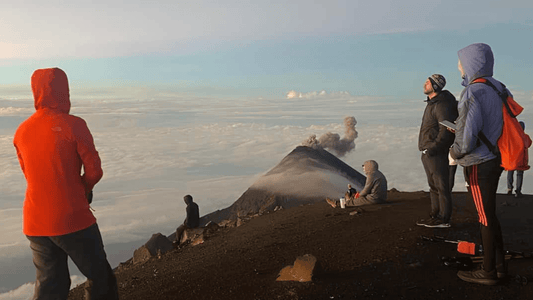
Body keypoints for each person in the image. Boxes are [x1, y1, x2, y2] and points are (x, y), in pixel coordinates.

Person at [13, 68, 118, 299]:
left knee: (51, 285)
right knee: (101, 278)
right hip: (72, 217)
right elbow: (94, 171)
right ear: (64, 91)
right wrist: (83, 188)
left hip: (35, 222)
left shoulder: (22, 131)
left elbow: (31, 176)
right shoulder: (74, 125)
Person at [450, 43, 506, 285]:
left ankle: (488, 271)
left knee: (484, 217)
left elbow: (467, 135)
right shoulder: (499, 87)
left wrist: (454, 151)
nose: (459, 67)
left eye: (461, 63)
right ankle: (499, 266)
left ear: (470, 64)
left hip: (479, 163)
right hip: (497, 157)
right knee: (490, 214)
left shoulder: (473, 92)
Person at [416, 74, 458, 229]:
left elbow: (446, 130)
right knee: (434, 185)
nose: (424, 84)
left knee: (441, 186)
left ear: (435, 86)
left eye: (428, 82)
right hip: (428, 151)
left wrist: (434, 148)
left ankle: (443, 218)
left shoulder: (441, 104)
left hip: (435, 152)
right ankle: (435, 216)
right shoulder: (433, 103)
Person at [507, 121, 526, 198]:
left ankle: (509, 188)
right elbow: (529, 143)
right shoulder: (524, 137)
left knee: (510, 172)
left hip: (512, 158)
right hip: (521, 159)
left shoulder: (512, 136)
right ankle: (518, 190)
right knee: (519, 174)